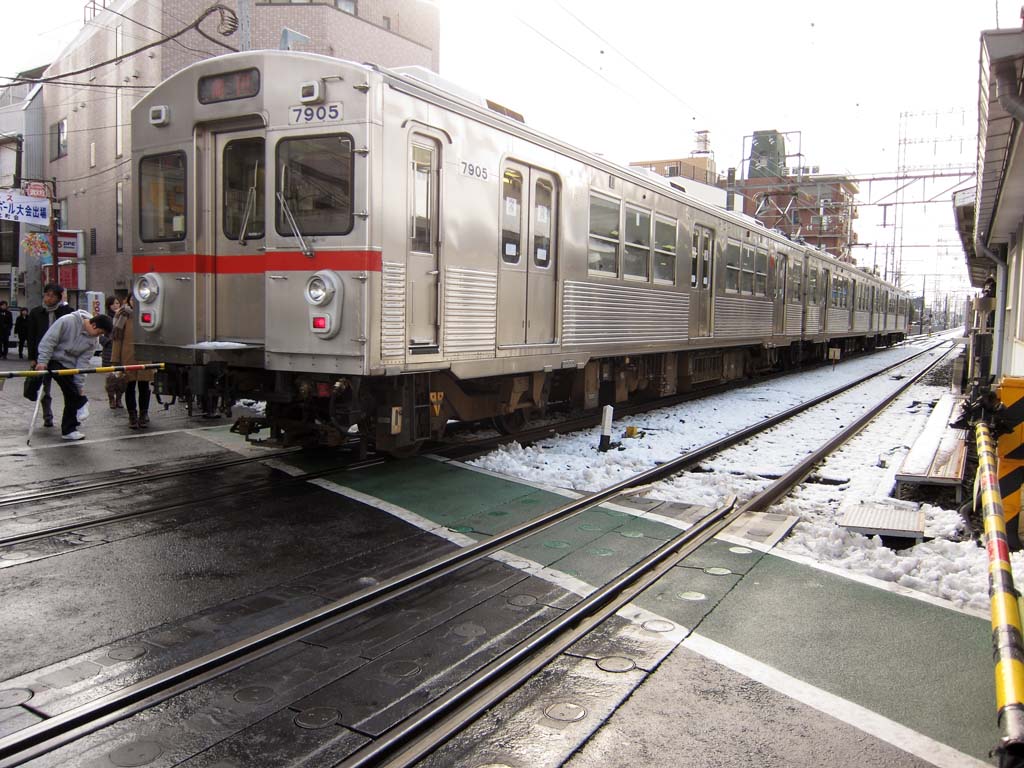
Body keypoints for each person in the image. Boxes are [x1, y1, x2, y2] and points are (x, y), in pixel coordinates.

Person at [34, 310, 113, 441]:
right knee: (66, 387)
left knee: (72, 393)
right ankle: (82, 401)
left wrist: (79, 385)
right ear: (93, 325)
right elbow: (49, 341)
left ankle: (69, 429)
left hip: (70, 366)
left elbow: (83, 362)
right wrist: (42, 361)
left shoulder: (93, 341)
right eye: (99, 332)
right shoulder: (67, 321)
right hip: (54, 359)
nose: (98, 336)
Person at [27, 284, 74, 428]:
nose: (48, 298)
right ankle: (47, 415)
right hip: (42, 356)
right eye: (46, 295)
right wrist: (32, 357)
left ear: (59, 298)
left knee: (68, 388)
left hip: (61, 357)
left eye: (52, 295)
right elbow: (31, 336)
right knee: (43, 388)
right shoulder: (36, 313)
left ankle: (71, 417)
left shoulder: (67, 312)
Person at [111, 294, 155, 429]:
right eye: (132, 299)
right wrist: (115, 360)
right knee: (129, 387)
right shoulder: (122, 315)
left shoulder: (151, 312)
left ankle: (144, 414)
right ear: (128, 300)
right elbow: (117, 339)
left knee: (144, 387)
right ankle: (132, 415)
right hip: (127, 356)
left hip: (145, 356)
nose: (134, 302)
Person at [100, 295, 123, 409]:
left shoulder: (123, 317)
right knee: (110, 378)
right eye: (113, 303)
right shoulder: (105, 318)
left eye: (118, 303)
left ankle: (119, 399)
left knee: (121, 377)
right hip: (109, 352)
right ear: (109, 305)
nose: (116, 305)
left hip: (120, 351)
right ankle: (111, 399)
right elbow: (99, 336)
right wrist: (109, 341)